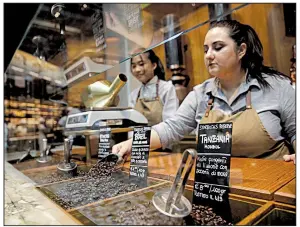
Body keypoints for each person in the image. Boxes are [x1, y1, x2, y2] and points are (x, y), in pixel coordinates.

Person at [113, 20, 296, 164]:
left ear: (241, 50)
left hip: (274, 186)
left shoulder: (276, 86)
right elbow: (171, 128)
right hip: (219, 187)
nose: (208, 55)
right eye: (205, 49)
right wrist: (134, 143)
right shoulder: (201, 94)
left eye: (218, 47)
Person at [129, 48, 179, 126]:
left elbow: (171, 124)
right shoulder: (134, 94)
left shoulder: (166, 88)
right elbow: (131, 125)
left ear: (154, 65)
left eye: (141, 64)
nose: (137, 69)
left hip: (161, 137)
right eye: (134, 66)